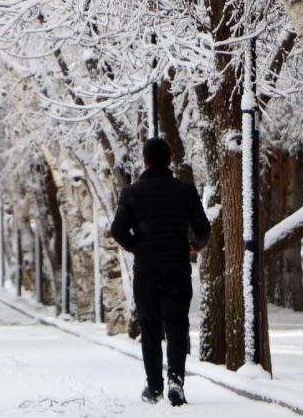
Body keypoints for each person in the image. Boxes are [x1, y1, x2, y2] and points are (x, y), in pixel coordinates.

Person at [110, 138, 210, 406]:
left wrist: (138, 248)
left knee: (151, 329)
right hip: (177, 269)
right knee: (177, 327)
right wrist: (194, 246)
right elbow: (203, 230)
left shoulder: (132, 194)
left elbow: (117, 231)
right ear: (169, 161)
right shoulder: (185, 192)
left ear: (144, 161)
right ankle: (176, 381)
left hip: (146, 273)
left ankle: (154, 386)